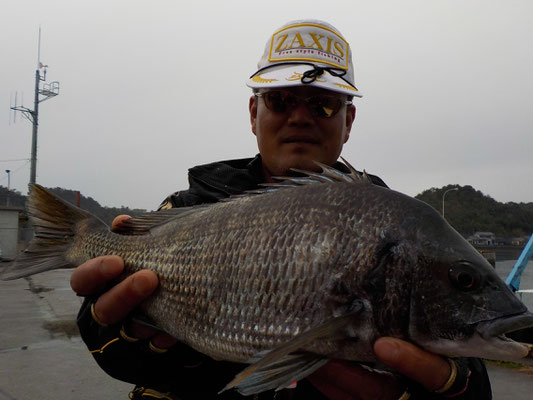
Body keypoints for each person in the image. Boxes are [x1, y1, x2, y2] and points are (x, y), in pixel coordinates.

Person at [70, 19, 492, 399]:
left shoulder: (394, 223)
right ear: (254, 113)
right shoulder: (189, 207)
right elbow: (115, 356)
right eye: (281, 101)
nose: (301, 117)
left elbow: (472, 371)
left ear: (349, 121)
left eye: (323, 104)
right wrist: (113, 329)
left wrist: (455, 387)